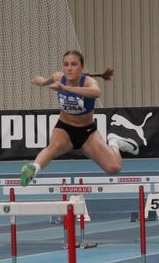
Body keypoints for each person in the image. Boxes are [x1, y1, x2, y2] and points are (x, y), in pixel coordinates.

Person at [20, 50, 139, 186]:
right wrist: (41, 82)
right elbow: (47, 80)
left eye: (74, 64)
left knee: (114, 168)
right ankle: (33, 168)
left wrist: (65, 88)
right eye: (66, 64)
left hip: (87, 133)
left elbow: (96, 92)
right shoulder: (59, 77)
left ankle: (114, 142)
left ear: (82, 67)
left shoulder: (88, 82)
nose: (69, 68)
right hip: (64, 128)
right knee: (54, 146)